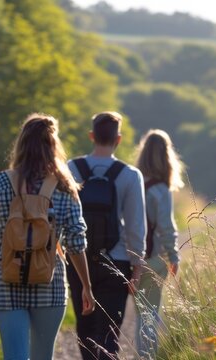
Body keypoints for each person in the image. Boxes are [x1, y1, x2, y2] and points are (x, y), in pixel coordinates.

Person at [0, 113, 95, 360]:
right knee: (43, 356)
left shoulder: (1, 182)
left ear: (21, 145)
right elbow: (76, 242)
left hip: (6, 283)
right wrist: (86, 287)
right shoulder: (65, 187)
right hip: (50, 284)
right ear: (54, 146)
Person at [66, 111, 146, 360]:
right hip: (117, 260)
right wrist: (137, 268)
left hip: (78, 260)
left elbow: (61, 216)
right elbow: (135, 226)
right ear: (118, 139)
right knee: (110, 333)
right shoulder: (130, 175)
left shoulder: (71, 168)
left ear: (92, 136)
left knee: (85, 327)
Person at [133, 129, 184, 358]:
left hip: (128, 257)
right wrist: (174, 256)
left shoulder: (131, 183)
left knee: (139, 314)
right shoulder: (160, 189)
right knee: (149, 316)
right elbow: (166, 227)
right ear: (166, 156)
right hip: (153, 259)